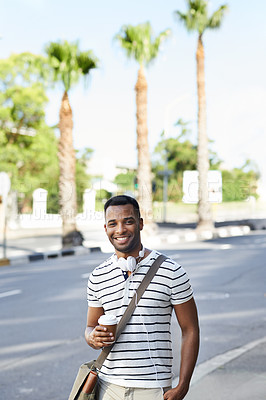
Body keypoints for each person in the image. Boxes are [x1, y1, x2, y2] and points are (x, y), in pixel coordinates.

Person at [85, 195, 199, 400]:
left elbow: (190, 329)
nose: (120, 230)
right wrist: (92, 337)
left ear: (140, 223)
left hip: (154, 389)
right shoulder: (97, 276)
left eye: (128, 221)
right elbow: (90, 327)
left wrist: (183, 385)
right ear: (106, 229)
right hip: (108, 387)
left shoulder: (171, 271)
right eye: (113, 224)